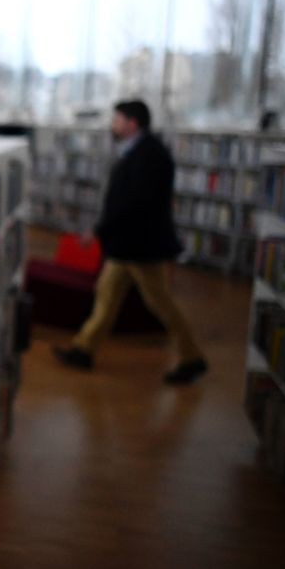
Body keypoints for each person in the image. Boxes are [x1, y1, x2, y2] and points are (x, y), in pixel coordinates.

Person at [53, 100, 209, 385]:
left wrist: (98, 230)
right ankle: (83, 350)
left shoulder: (149, 155)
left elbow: (131, 203)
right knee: (107, 294)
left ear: (132, 123)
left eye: (117, 120)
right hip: (128, 245)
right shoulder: (139, 150)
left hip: (141, 246)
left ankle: (192, 357)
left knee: (159, 302)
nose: (113, 125)